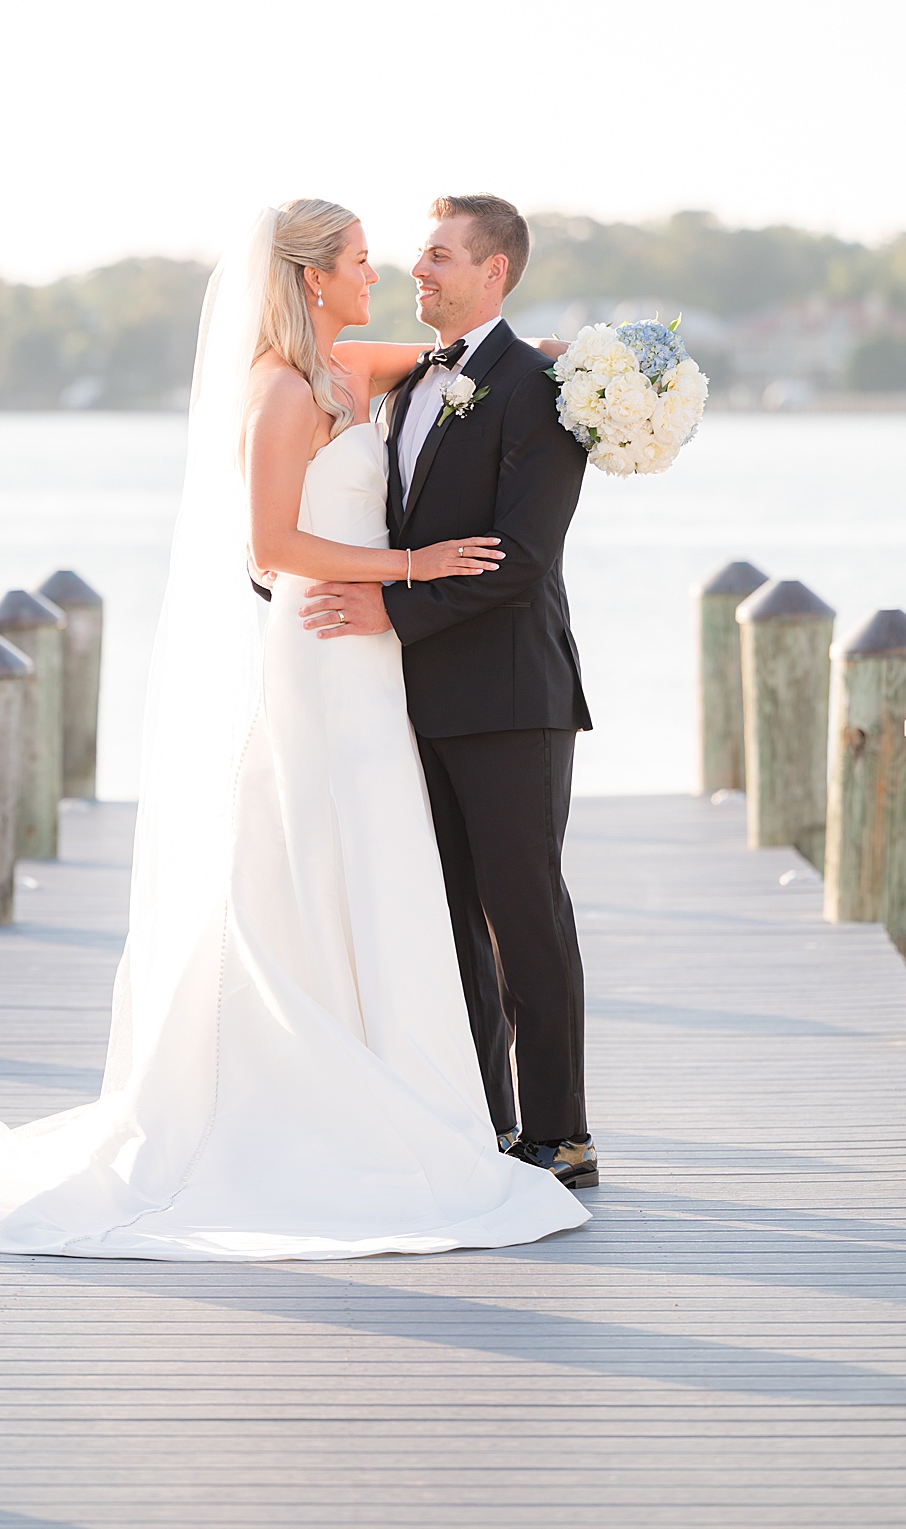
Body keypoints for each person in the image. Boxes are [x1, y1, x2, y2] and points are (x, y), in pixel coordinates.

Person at [0, 199, 588, 1260]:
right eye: (360, 261)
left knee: (388, 877)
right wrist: (407, 568)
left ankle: (470, 1111)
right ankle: (335, 1103)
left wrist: (569, 364)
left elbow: (466, 361)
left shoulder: (371, 368)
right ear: (310, 280)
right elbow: (265, 545)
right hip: (323, 650)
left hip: (381, 672)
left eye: (419, 256)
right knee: (313, 859)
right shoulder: (278, 387)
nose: (385, 272)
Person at [302, 194, 597, 1186]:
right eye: (416, 256)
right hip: (411, 701)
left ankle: (562, 1132)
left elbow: (520, 558)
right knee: (450, 920)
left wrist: (393, 614)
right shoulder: (415, 380)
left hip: (514, 698)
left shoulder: (544, 383)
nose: (415, 271)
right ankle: (483, 1123)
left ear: (494, 271)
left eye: (437, 256)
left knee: (526, 916)